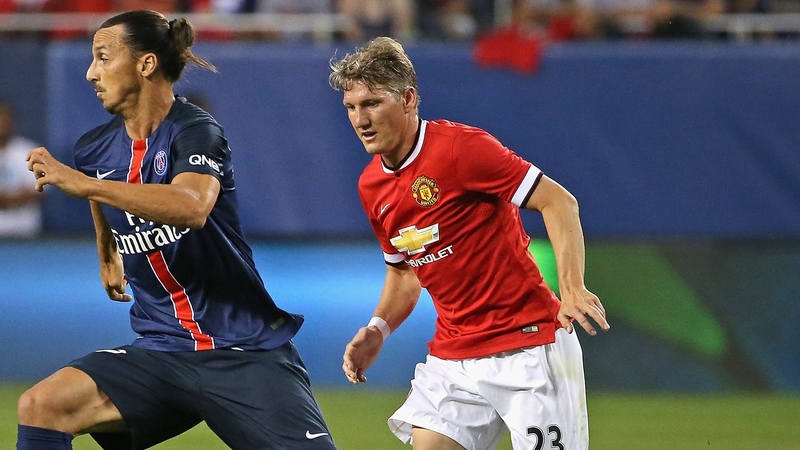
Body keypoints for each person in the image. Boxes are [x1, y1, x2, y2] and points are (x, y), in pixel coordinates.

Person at [19, 10, 336, 450]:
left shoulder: (196, 131)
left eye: (103, 57)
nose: (91, 72)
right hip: (161, 350)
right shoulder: (93, 148)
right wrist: (106, 251)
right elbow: (102, 196)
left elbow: (192, 208)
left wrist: (84, 184)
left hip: (240, 350)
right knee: (41, 406)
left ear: (146, 64)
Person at [329, 37, 610, 450]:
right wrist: (379, 328)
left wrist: (571, 288)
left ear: (408, 99)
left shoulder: (461, 149)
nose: (360, 119)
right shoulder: (372, 185)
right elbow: (405, 270)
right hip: (455, 353)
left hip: (527, 344)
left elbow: (558, 201)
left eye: (372, 103)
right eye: (351, 107)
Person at [0, 101, 42, 238]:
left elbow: (41, 191)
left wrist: (8, 199)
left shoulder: (28, 151)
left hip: (24, 231)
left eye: (4, 120)